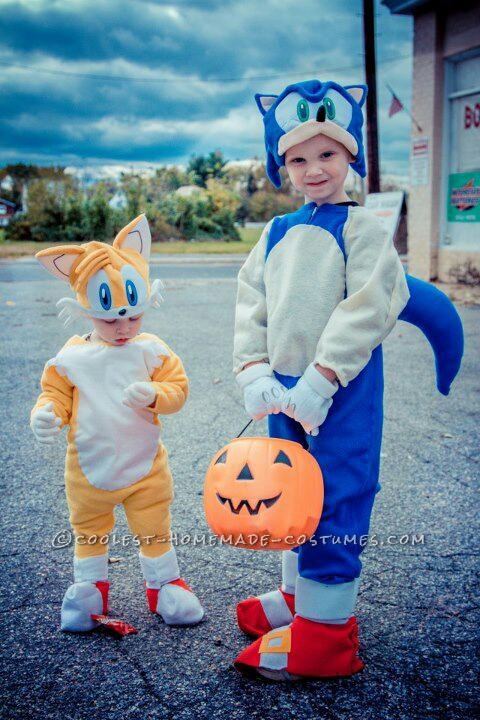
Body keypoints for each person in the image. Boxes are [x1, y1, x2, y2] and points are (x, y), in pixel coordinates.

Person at [232, 79, 463, 680]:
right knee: (288, 492)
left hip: (342, 386)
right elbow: (250, 300)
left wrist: (324, 375)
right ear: (281, 165)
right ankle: (297, 600)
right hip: (281, 387)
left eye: (327, 153)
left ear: (350, 156)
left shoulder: (362, 230)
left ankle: (327, 636)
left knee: (337, 493)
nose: (314, 169)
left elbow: (368, 304)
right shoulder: (275, 231)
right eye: (299, 158)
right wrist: (253, 367)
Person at [30, 214, 204, 632]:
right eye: (109, 319)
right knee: (89, 530)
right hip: (89, 470)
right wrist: (47, 413)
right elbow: (55, 393)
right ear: (85, 309)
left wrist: (156, 395)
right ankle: (89, 591)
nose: (124, 328)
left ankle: (164, 584)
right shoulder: (71, 358)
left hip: (146, 468)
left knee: (154, 525)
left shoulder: (152, 350)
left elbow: (178, 388)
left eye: (134, 316)